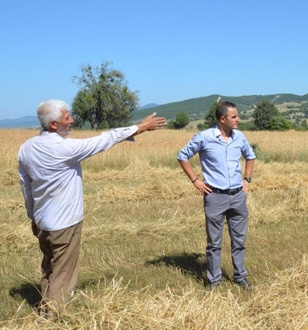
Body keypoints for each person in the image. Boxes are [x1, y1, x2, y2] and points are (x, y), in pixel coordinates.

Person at [18, 99, 166, 310]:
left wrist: (32, 215)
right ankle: (55, 314)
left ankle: (45, 305)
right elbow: (106, 139)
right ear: (53, 124)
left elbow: (26, 185)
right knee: (64, 270)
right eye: (67, 117)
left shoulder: (26, 148)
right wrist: (141, 127)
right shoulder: (65, 148)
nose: (72, 120)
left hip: (42, 221)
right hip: (64, 223)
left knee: (49, 266)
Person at [177, 101, 256, 290]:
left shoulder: (239, 137)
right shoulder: (204, 137)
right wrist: (196, 180)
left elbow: (250, 156)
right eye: (234, 116)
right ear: (223, 119)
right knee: (214, 243)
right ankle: (214, 280)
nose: (238, 119)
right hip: (215, 197)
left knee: (239, 241)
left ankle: (240, 276)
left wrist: (247, 180)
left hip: (238, 196)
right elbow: (182, 156)